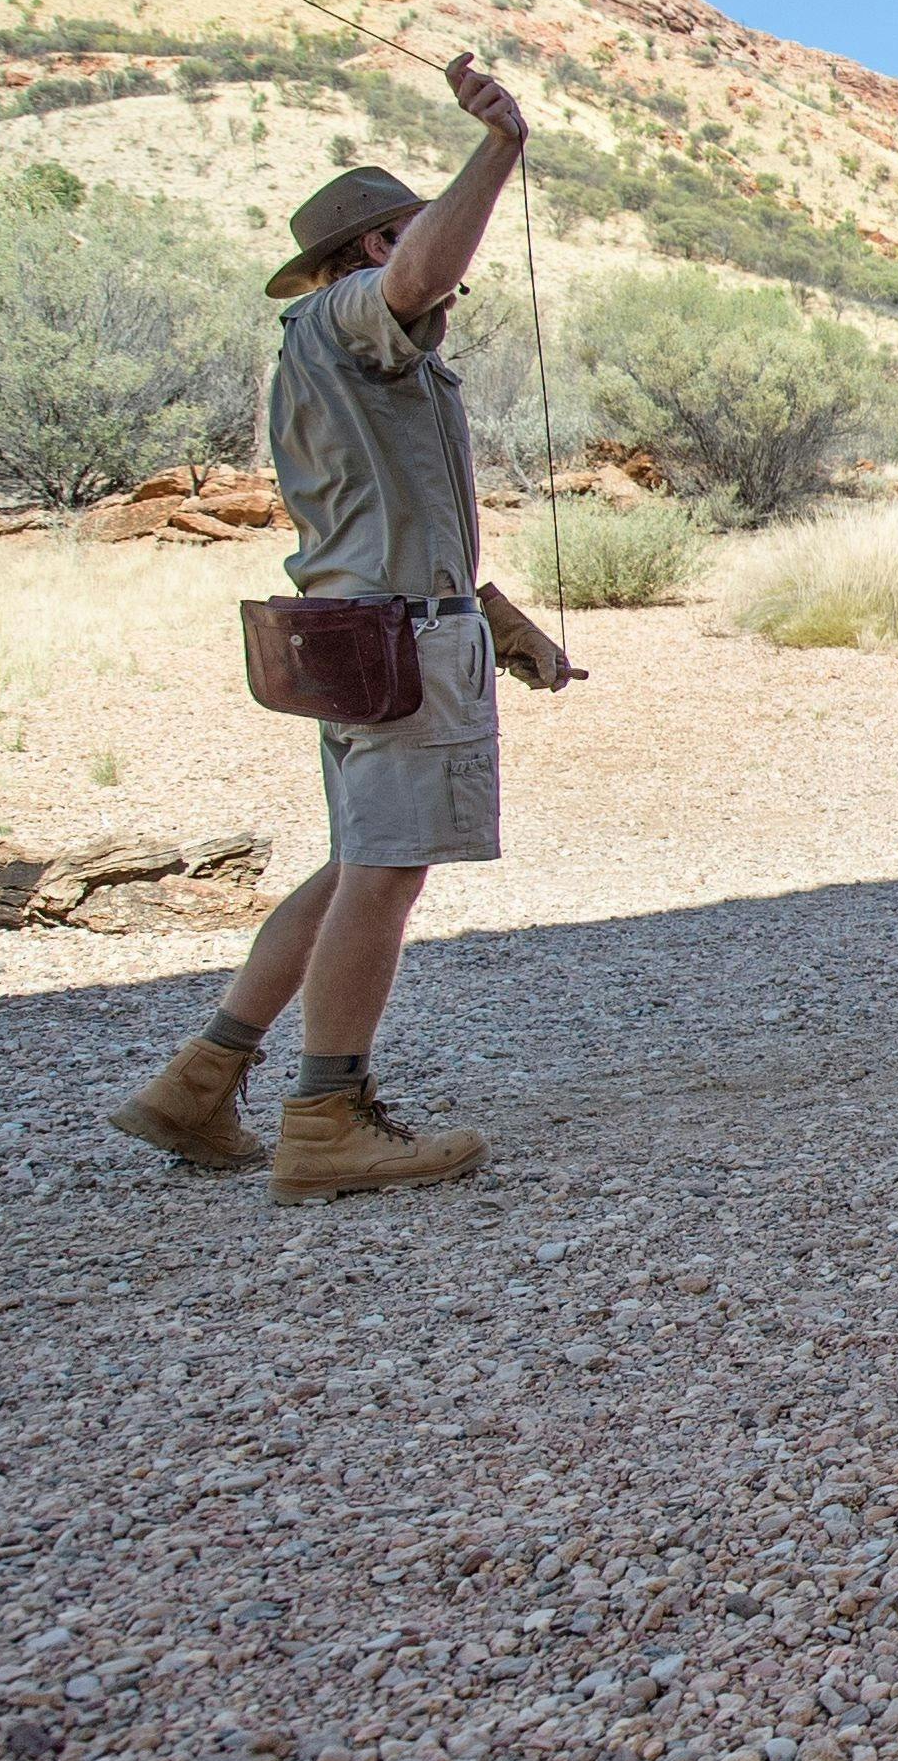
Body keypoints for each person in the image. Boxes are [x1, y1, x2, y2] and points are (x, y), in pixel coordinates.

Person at [112, 61, 563, 1199]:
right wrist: (499, 148)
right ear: (372, 248)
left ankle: (199, 1083)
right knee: (385, 873)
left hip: (368, 636)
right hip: (400, 650)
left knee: (356, 861)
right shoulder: (350, 315)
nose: (450, 283)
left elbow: (385, 517)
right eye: (412, 239)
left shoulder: (349, 352)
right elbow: (418, 277)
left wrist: (496, 617)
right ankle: (325, 1119)